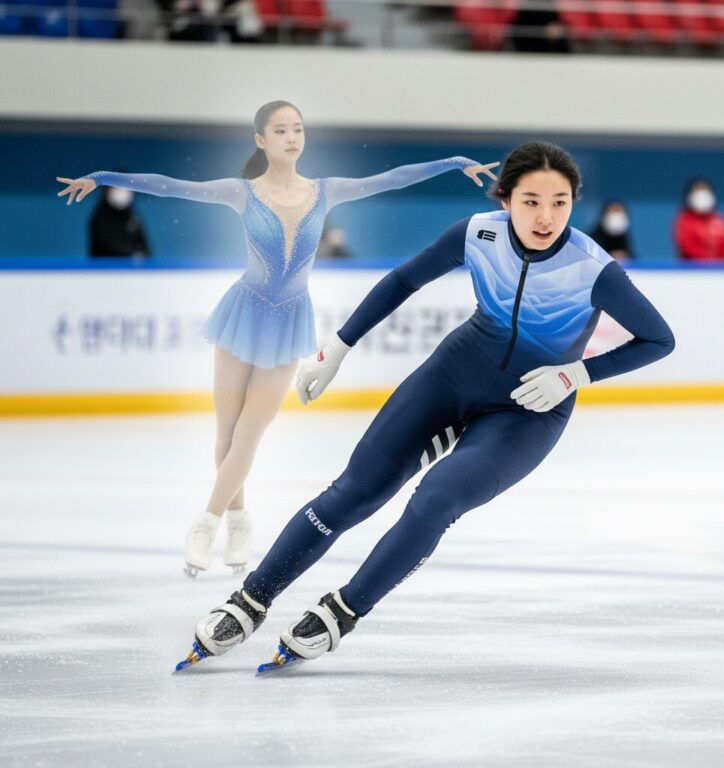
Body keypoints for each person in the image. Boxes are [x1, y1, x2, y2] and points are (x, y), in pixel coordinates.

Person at [175, 141, 675, 672]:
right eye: (531, 202)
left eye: (560, 203)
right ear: (505, 199)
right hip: (455, 373)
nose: (546, 217)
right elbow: (404, 280)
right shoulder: (476, 234)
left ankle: (343, 611)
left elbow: (659, 339)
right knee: (355, 491)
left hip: (529, 410)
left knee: (437, 498)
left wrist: (577, 373)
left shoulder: (593, 268)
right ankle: (250, 600)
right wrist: (339, 346)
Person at [56, 100, 498, 579]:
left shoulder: (325, 191)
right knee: (227, 431)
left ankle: (207, 522)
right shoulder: (240, 192)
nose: (291, 137)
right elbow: (170, 186)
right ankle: (239, 521)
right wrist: (102, 177)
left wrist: (453, 162)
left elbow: (392, 179)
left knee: (250, 432)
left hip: (289, 321)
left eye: (297, 129)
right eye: (281, 130)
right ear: (261, 140)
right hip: (243, 312)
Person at [674, 178, 724, 263]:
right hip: (694, 269)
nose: (702, 196)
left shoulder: (719, 219)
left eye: (705, 191)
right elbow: (690, 249)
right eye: (697, 192)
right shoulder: (684, 220)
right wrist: (710, 265)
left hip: (721, 269)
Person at [89, 183, 151, 259]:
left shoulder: (131, 215)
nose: (122, 191)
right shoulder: (100, 216)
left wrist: (141, 255)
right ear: (107, 191)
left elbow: (143, 245)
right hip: (105, 264)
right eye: (116, 188)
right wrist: (130, 254)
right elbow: (107, 244)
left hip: (130, 265)